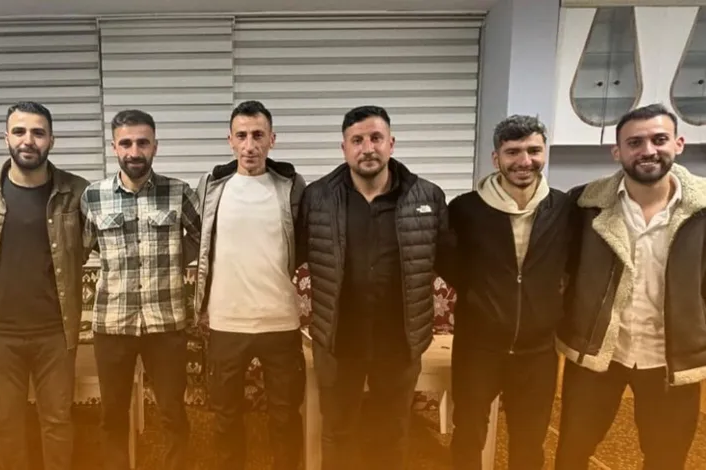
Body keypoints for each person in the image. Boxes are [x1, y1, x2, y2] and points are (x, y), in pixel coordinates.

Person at [295, 105, 451, 470]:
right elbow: (294, 253)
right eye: (357, 140)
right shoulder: (317, 197)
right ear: (344, 148)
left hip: (399, 342)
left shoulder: (427, 196)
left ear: (391, 143)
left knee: (392, 431)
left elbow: (449, 260)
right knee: (337, 432)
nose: (367, 148)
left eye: (376, 138)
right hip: (338, 340)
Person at [555, 103, 706, 470]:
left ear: (679, 144)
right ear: (617, 151)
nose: (648, 150)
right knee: (571, 453)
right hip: (598, 353)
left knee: (666, 459)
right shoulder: (584, 204)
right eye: (635, 142)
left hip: (671, 358)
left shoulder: (702, 211)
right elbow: (561, 269)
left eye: (659, 139)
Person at [0, 101, 95, 470]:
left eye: (38, 133)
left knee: (57, 420)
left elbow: (97, 243)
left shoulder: (77, 191)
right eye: (19, 131)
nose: (28, 140)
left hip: (56, 332)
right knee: (6, 421)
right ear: (5, 137)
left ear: (52, 139)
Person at [444, 115, 572, 469]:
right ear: (496, 158)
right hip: (477, 346)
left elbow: (573, 264)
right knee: (467, 433)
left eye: (533, 150)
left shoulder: (563, 209)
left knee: (529, 440)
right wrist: (479, 295)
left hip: (538, 350)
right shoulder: (465, 209)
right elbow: (448, 262)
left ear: (544, 153)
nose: (524, 161)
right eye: (513, 151)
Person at [82, 109, 201, 470]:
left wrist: (176, 258)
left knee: (172, 412)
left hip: (166, 323)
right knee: (113, 415)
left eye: (142, 143)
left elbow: (203, 237)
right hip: (113, 324)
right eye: (126, 143)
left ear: (155, 146)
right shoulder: (93, 196)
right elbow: (82, 247)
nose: (134, 151)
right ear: (114, 147)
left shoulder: (178, 192)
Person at [194, 100, 306, 470]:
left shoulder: (291, 187)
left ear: (272, 139)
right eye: (241, 136)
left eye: (258, 135)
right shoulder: (211, 186)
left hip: (280, 321)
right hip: (227, 322)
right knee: (225, 416)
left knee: (285, 415)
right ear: (229, 140)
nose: (249, 145)